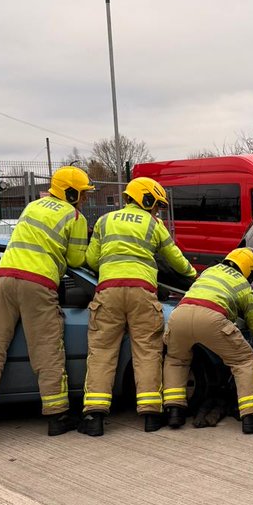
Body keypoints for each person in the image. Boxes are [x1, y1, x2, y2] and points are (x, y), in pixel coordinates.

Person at [0, 166, 93, 443]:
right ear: (70, 192)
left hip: (2, 278)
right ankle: (57, 416)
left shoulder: (32, 206)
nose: (84, 199)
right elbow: (78, 260)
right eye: (82, 194)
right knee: (46, 349)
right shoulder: (74, 216)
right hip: (38, 283)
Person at [78, 177, 196, 436]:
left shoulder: (104, 221)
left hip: (108, 291)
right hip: (143, 292)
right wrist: (194, 276)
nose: (157, 210)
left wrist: (112, 265)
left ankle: (95, 417)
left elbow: (91, 259)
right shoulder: (154, 224)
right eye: (157, 205)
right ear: (147, 199)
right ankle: (151, 416)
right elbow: (175, 259)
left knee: (102, 352)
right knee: (147, 351)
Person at [162, 248, 253, 435]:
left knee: (176, 360)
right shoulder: (243, 285)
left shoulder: (209, 271)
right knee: (244, 361)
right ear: (249, 271)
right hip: (211, 318)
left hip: (179, 315)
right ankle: (252, 417)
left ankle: (174, 411)